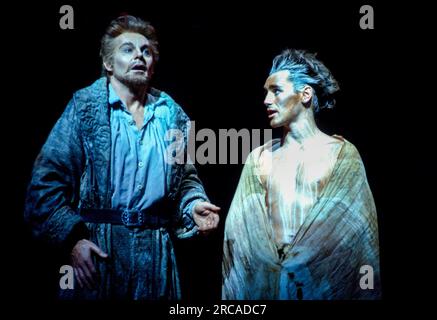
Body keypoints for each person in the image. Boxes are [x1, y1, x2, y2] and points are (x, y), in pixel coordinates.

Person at [24, 15, 220, 300]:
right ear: (108, 63)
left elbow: (185, 181)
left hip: (155, 260)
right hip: (99, 253)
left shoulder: (172, 116)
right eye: (127, 49)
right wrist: (73, 241)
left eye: (146, 51)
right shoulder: (86, 109)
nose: (139, 56)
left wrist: (194, 206)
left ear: (153, 66)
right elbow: (44, 184)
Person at [222, 49, 380, 299]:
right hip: (265, 290)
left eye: (276, 90)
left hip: (324, 287)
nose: (266, 100)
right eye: (265, 92)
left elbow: (358, 238)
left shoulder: (342, 155)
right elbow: (238, 237)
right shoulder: (259, 159)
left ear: (305, 94)